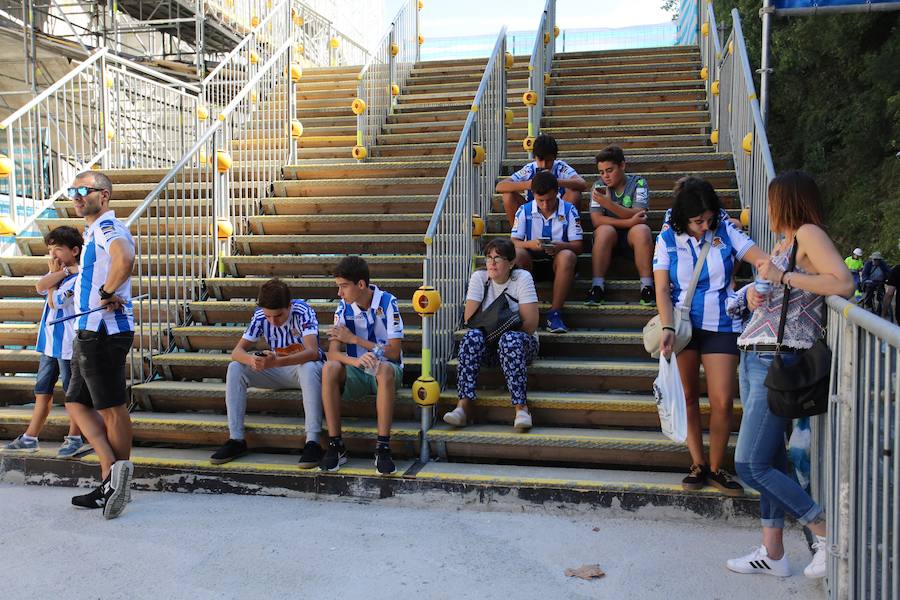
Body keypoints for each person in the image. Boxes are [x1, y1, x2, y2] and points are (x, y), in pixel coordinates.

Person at [726, 171, 854, 579]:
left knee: (749, 464)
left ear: (786, 201)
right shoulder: (784, 243)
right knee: (772, 459)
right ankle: (773, 552)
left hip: (776, 359)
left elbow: (843, 282)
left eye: (771, 199)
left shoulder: (808, 234)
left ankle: (824, 532)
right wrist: (756, 289)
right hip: (754, 355)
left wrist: (784, 276)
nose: (767, 208)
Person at [653, 176, 767, 497]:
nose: (705, 225)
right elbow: (662, 288)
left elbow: (760, 259)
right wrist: (667, 327)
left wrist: (768, 279)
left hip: (723, 323)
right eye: (697, 221)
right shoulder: (666, 239)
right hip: (684, 326)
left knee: (721, 400)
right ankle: (697, 463)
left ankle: (718, 467)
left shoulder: (726, 231)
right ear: (682, 218)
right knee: (689, 397)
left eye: (709, 219)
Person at [63, 171, 136, 519]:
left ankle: (115, 482)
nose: (76, 196)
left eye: (83, 190)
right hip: (87, 329)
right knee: (76, 402)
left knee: (111, 406)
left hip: (104, 331)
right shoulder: (94, 231)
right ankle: (111, 473)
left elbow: (125, 258)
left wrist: (108, 292)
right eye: (72, 191)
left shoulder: (109, 228)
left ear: (103, 196)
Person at [210, 278, 325, 468]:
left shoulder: (303, 311)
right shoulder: (260, 316)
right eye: (268, 316)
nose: (273, 321)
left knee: (309, 366)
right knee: (235, 368)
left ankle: (312, 441)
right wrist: (255, 361)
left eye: (278, 315)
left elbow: (312, 352)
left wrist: (276, 361)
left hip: (302, 370)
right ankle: (236, 439)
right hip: (275, 368)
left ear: (289, 305)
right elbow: (236, 353)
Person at [1, 226, 88, 458]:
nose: (53, 255)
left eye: (58, 249)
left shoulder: (79, 277)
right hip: (49, 343)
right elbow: (41, 286)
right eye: (50, 250)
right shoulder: (61, 274)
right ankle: (30, 437)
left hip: (67, 346)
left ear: (75, 250)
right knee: (42, 390)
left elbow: (54, 302)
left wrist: (54, 280)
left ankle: (76, 437)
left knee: (72, 395)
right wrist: (56, 277)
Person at [319, 256, 404, 475]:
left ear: (361, 284)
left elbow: (394, 352)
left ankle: (383, 447)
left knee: (384, 369)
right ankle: (336, 444)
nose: (340, 293)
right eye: (338, 287)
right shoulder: (342, 307)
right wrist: (356, 360)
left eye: (344, 286)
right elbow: (333, 354)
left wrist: (357, 341)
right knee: (329, 369)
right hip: (357, 370)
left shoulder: (388, 302)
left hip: (386, 371)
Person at [444, 238, 540, 431]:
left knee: (509, 340)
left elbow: (530, 325)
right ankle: (463, 407)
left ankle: (521, 408)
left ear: (511, 263)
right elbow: (470, 319)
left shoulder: (522, 278)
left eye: (498, 258)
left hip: (521, 345)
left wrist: (501, 334)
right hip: (488, 344)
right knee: (471, 338)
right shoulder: (479, 277)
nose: (492, 263)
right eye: (489, 258)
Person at [511, 170, 583, 334]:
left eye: (549, 199)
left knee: (567, 256)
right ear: (533, 195)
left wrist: (560, 246)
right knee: (517, 253)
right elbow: (513, 242)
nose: (545, 205)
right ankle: (523, 312)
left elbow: (578, 246)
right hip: (532, 263)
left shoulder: (570, 210)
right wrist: (530, 244)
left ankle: (555, 313)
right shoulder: (524, 210)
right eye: (540, 200)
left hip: (558, 263)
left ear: (557, 193)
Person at [587, 145, 655, 306]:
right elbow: (597, 220)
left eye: (609, 170)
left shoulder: (638, 182)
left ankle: (647, 287)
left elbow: (640, 212)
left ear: (622, 165)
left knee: (642, 230)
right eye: (602, 172)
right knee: (604, 230)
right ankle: (597, 287)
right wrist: (629, 221)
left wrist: (608, 205)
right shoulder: (598, 187)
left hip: (632, 238)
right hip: (607, 238)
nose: (606, 176)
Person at [496, 134, 587, 227]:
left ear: (554, 158)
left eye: (548, 160)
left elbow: (582, 184)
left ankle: (566, 232)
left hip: (558, 213)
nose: (544, 165)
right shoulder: (530, 169)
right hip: (533, 213)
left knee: (574, 193)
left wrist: (554, 181)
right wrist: (529, 184)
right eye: (540, 160)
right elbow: (500, 186)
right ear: (535, 157)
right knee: (508, 195)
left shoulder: (560, 167)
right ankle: (518, 234)